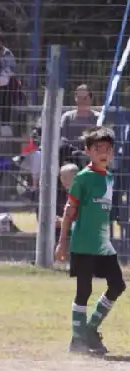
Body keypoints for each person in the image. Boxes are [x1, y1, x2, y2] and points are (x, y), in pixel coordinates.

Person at [55, 126, 124, 357]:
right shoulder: (83, 178)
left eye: (107, 148)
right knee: (83, 290)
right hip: (84, 244)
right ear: (88, 151)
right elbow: (69, 210)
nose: (103, 152)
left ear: (112, 152)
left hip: (104, 245)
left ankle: (90, 330)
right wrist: (62, 242)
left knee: (117, 285)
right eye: (97, 148)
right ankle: (78, 340)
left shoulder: (111, 178)